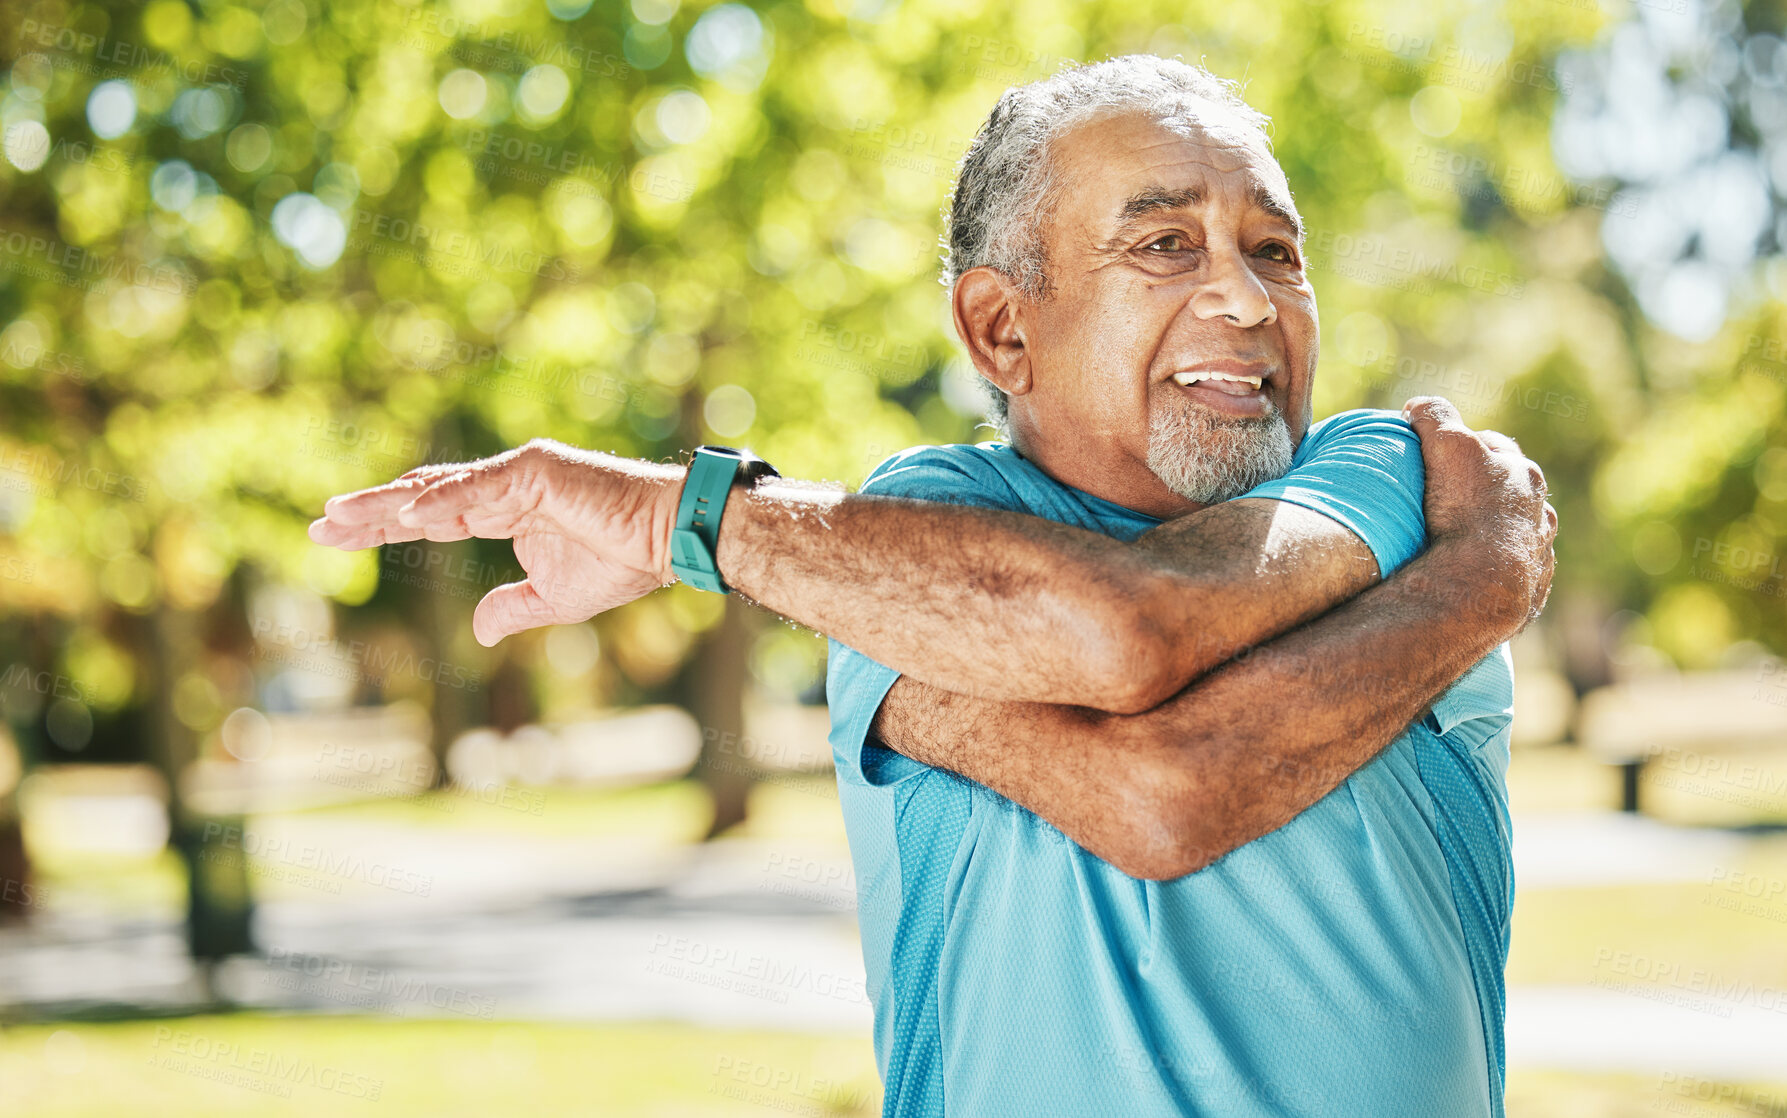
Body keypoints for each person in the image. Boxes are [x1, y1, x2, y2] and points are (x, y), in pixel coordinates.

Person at [311, 55, 1555, 1117]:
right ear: (1001, 330)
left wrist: (681, 521)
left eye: (1273, 251)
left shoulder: (1394, 475)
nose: (1241, 297)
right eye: (1164, 244)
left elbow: (1135, 661)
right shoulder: (918, 534)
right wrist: (1482, 584)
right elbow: (1160, 774)